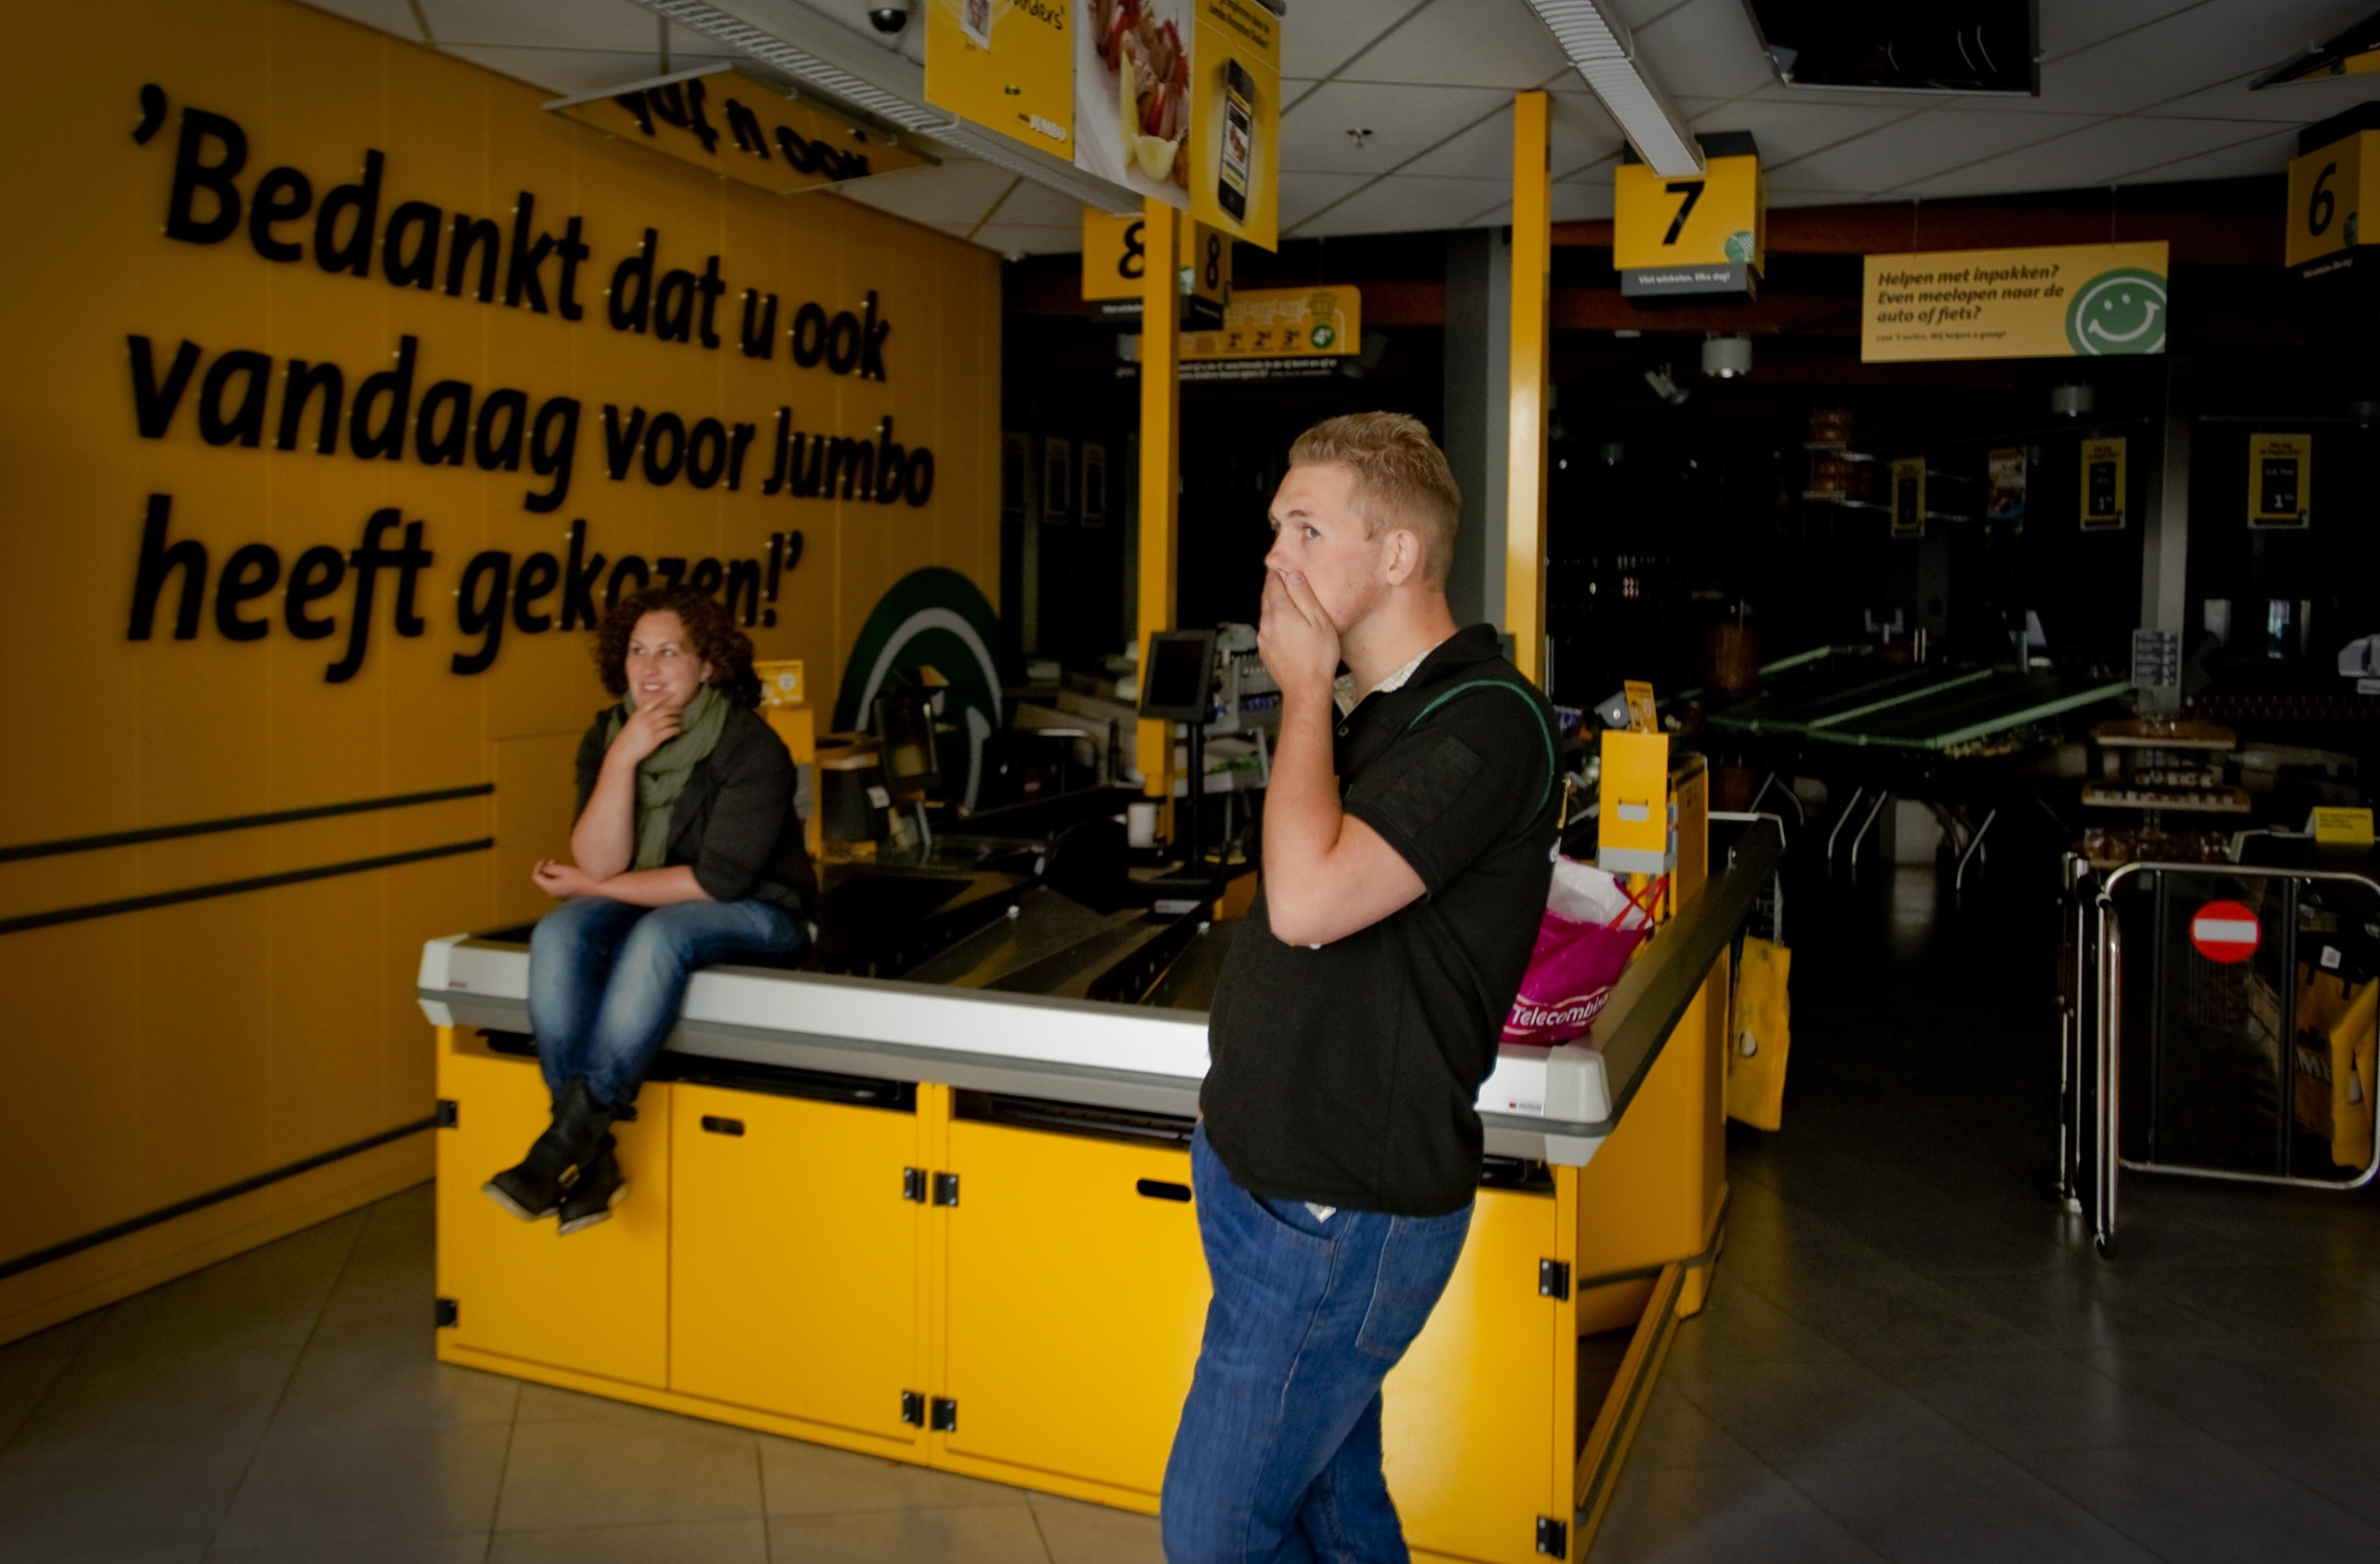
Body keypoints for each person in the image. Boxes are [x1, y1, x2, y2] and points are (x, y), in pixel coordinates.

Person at [1161, 413, 1559, 1561]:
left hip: (1338, 1206)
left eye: (1306, 527)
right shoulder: (1380, 717)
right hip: (1265, 1176)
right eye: (1273, 527)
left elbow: (1308, 901)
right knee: (1335, 1513)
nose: (1275, 556)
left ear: (1396, 556)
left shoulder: (1489, 720)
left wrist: (1297, 695)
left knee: (1217, 1530)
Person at [483, 584, 817, 1234]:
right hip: (646, 899)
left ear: (709, 666)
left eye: (669, 652)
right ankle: (588, 1152)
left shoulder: (752, 748)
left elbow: (717, 882)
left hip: (761, 910)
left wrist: (592, 886)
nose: (648, 668)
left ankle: (560, 1146)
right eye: (638, 651)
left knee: (659, 936)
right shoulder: (609, 735)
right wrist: (621, 759)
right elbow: (601, 859)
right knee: (558, 933)